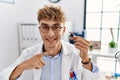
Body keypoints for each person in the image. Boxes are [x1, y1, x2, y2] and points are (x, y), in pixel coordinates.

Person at [0, 5, 100, 80]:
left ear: (64, 30)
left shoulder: (75, 53)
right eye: (45, 27)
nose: (50, 34)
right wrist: (22, 66)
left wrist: (86, 59)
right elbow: (4, 76)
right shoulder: (28, 53)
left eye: (56, 27)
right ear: (39, 30)